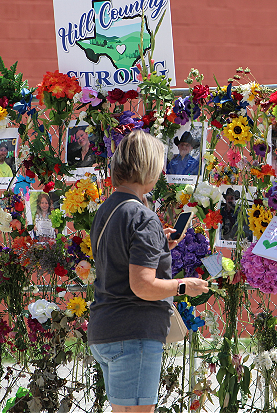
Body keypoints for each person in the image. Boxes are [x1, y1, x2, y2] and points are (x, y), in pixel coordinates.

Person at [88, 130, 209, 413]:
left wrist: (157, 243)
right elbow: (142, 286)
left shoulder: (108, 209)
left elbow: (118, 256)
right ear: (149, 169)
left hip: (105, 327)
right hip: (134, 332)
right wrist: (183, 286)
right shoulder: (142, 216)